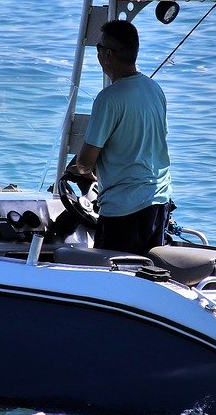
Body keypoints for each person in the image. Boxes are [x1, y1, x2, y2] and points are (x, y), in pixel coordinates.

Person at [70, 19, 173, 254]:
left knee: (111, 279)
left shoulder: (108, 99)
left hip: (123, 211)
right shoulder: (155, 89)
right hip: (158, 202)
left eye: (98, 48)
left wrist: (77, 169)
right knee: (146, 276)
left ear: (107, 55)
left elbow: (85, 164)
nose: (98, 53)